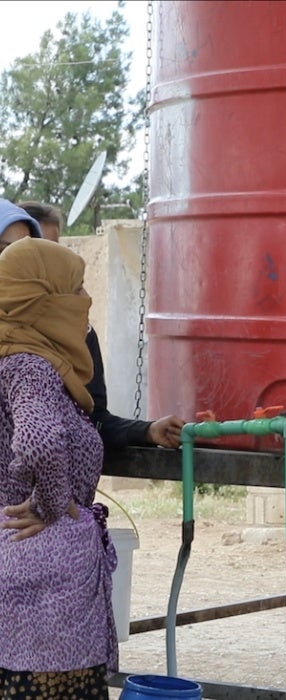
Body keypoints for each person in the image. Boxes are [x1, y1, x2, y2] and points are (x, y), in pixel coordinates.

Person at [0, 237, 116, 699]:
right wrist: (50, 503)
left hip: (27, 570)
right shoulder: (31, 366)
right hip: (46, 576)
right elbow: (39, 440)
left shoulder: (13, 355)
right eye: (77, 288)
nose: (85, 299)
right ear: (41, 300)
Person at [16, 200, 185, 449]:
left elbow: (93, 420)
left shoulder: (81, 334)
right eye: (38, 251)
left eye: (55, 250)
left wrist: (146, 431)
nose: (52, 262)